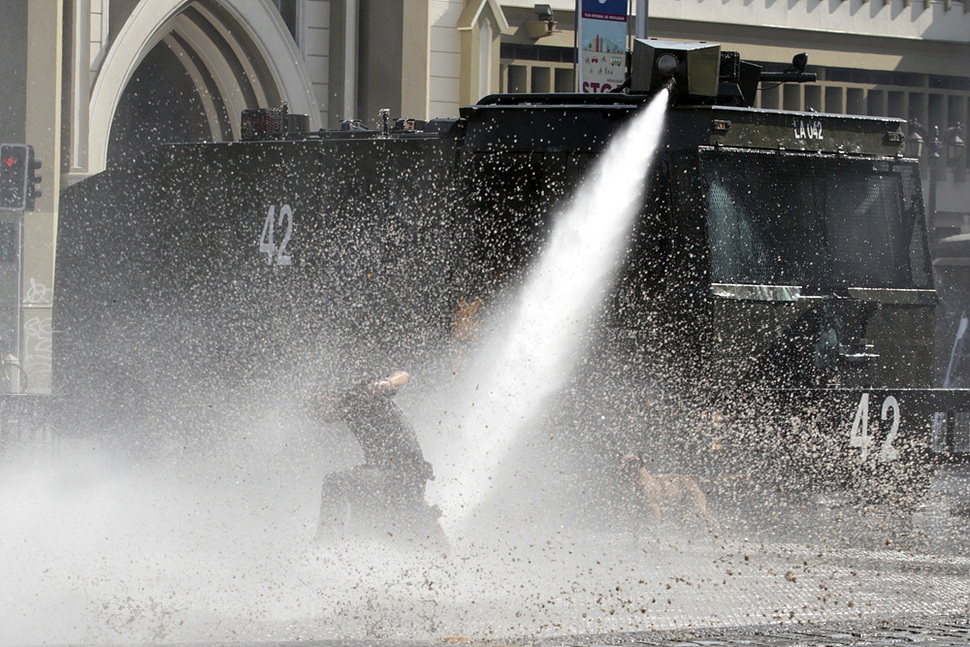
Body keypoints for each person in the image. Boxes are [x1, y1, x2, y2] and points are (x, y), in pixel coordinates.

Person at [313, 370, 439, 539]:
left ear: (326, 400)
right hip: (402, 479)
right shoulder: (350, 411)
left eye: (320, 414)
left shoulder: (356, 398)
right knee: (364, 518)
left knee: (334, 482)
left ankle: (325, 544)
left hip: (400, 474)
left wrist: (388, 383)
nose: (324, 420)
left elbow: (404, 375)